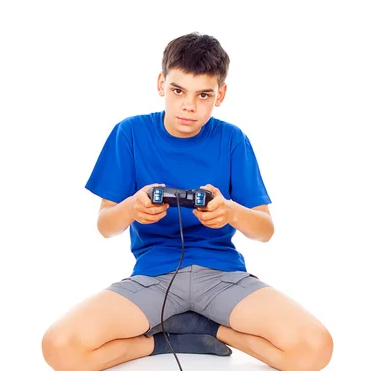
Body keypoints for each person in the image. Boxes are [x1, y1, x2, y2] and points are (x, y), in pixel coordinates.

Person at [41, 32, 333, 371]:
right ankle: (164, 340)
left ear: (220, 95)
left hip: (222, 276)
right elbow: (105, 226)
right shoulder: (130, 133)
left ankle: (211, 330)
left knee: (314, 350)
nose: (189, 106)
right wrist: (131, 208)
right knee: (60, 348)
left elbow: (264, 230)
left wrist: (230, 211)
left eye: (204, 94)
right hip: (154, 276)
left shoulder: (232, 139)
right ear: (161, 83)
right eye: (178, 91)